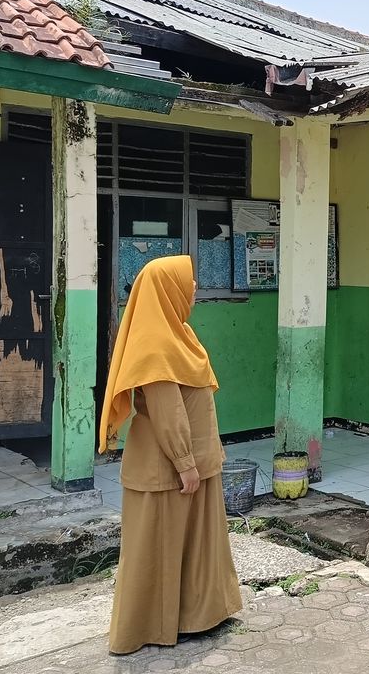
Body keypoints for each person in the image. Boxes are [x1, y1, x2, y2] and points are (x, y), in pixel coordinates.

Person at [99, 254, 243, 655]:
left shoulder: (178, 334)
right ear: (168, 290)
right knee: (157, 550)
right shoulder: (156, 343)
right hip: (171, 469)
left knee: (195, 544)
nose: (194, 289)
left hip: (195, 463)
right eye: (188, 283)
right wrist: (185, 464)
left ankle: (196, 616)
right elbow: (167, 412)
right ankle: (144, 629)